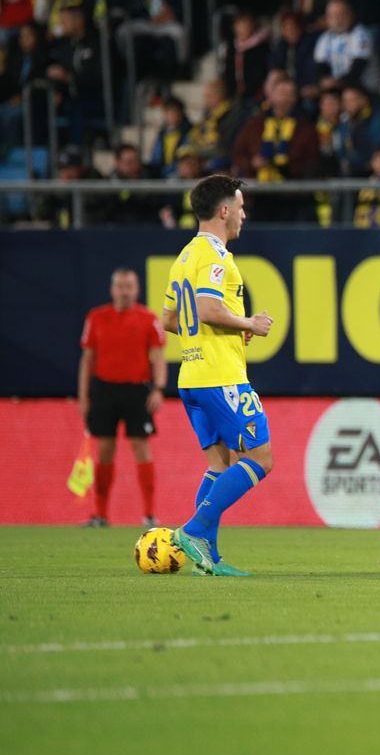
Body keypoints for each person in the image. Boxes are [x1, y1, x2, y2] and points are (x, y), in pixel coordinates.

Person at [166, 176, 277, 577]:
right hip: (220, 375)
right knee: (260, 459)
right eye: (241, 207)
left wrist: (228, 329)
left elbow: (170, 319)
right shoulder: (217, 257)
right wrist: (248, 323)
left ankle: (207, 556)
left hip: (191, 376)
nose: (244, 215)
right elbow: (209, 309)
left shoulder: (185, 257)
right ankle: (194, 531)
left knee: (220, 464)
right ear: (225, 210)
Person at [78, 268, 167, 528]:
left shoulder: (148, 319)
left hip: (136, 390)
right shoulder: (97, 317)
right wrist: (84, 396)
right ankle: (100, 514)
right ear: (112, 289)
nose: (124, 291)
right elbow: (88, 359)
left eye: (129, 286)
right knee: (104, 450)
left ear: (137, 289)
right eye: (120, 286)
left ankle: (149, 514)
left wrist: (159, 388)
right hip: (104, 389)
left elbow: (157, 356)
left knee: (141, 447)